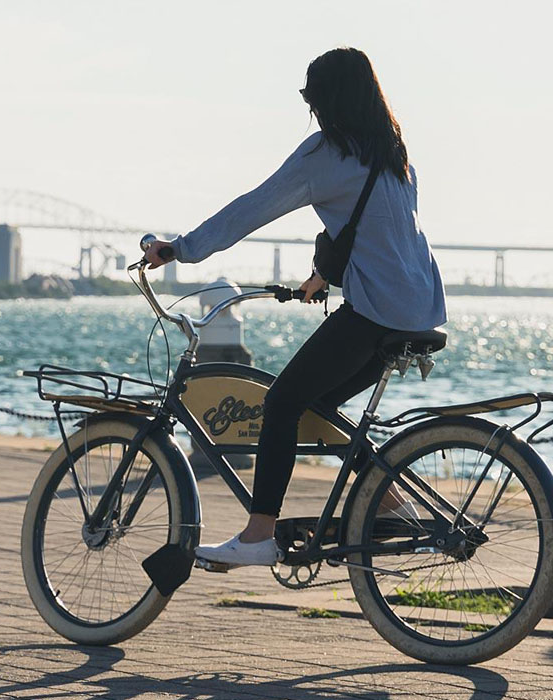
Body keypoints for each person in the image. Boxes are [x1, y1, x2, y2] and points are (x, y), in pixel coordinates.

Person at [145, 47, 447, 566]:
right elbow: (379, 237)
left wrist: (182, 248)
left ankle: (259, 533)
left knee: (282, 403)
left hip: (376, 312)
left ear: (327, 100)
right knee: (317, 405)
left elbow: (254, 206)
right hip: (420, 308)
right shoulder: (394, 155)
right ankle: (391, 502)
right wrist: (324, 276)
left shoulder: (326, 155)